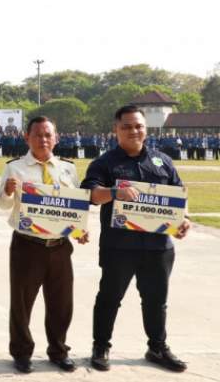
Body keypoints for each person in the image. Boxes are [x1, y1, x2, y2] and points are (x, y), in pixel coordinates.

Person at [81, 105, 191, 373]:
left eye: (138, 126)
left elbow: (178, 195)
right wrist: (115, 191)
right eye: (127, 126)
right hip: (119, 246)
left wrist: (183, 219)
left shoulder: (162, 160)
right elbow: (90, 195)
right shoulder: (104, 163)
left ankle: (157, 347)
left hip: (158, 246)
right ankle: (101, 346)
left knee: (156, 299)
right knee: (109, 297)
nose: (134, 130)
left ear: (146, 128)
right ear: (116, 130)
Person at [0, 116, 88, 374]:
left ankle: (58, 350)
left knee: (61, 302)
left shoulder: (67, 168)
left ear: (56, 138)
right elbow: (2, 205)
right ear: (27, 138)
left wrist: (81, 230)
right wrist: (8, 191)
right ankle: (22, 352)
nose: (43, 140)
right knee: (22, 303)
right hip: (28, 245)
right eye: (37, 135)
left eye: (48, 135)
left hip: (60, 245)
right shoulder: (15, 168)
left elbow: (75, 205)